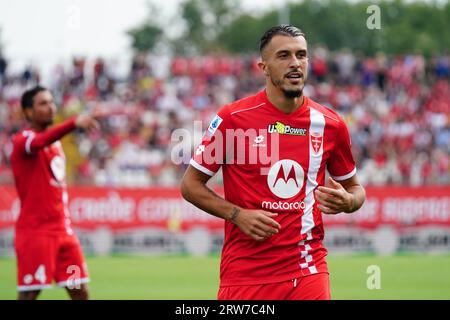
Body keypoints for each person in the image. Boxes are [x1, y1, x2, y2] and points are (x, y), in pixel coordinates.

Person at [181, 25, 366, 300]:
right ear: (264, 67)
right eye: (283, 55)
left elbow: (356, 189)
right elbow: (190, 186)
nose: (295, 63)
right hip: (245, 275)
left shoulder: (330, 124)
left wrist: (349, 202)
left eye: (301, 55)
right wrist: (237, 215)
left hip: (307, 269)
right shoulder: (234, 119)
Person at [10, 85, 103, 300]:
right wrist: (73, 123)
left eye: (51, 102)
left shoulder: (56, 146)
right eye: (43, 103)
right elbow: (40, 141)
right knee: (30, 293)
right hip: (36, 232)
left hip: (64, 233)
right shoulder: (22, 140)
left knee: (80, 291)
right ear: (28, 112)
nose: (50, 107)